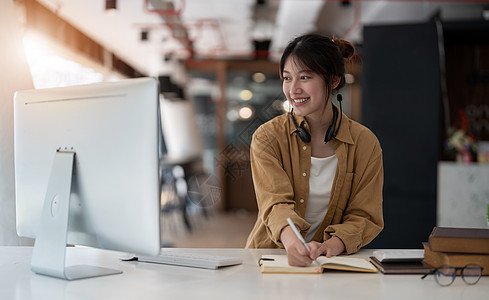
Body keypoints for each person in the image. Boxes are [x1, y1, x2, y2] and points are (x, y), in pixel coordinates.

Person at [245, 34, 384, 267]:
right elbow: (275, 204)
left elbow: (364, 216)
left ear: (332, 81)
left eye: (305, 77)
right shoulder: (267, 137)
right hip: (271, 257)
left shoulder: (365, 143)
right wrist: (293, 245)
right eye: (287, 78)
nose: (293, 89)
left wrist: (330, 246)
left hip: (332, 262)